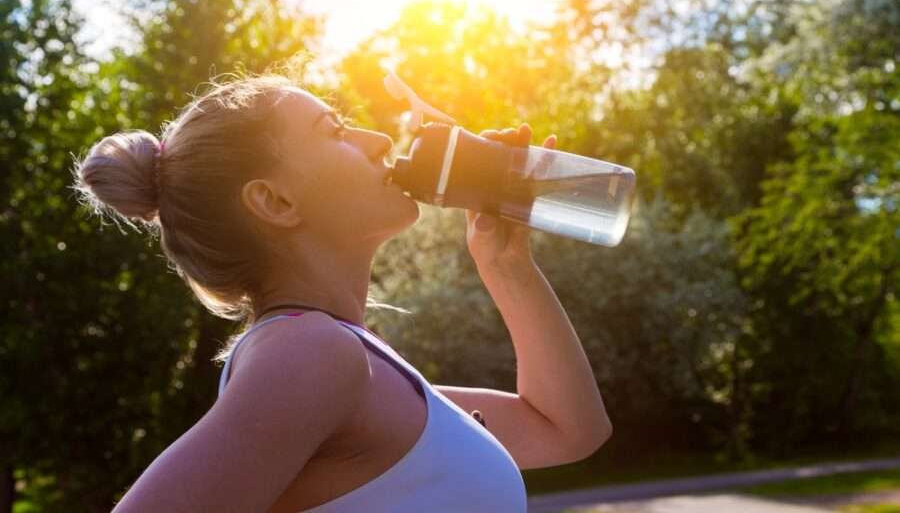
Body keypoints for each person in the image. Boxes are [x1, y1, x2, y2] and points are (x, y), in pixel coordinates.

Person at [72, 73, 613, 512]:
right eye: (334, 130)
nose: (377, 141)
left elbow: (566, 429)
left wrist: (506, 265)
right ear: (276, 202)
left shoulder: (353, 361)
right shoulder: (309, 353)